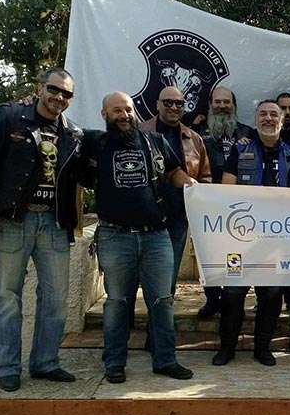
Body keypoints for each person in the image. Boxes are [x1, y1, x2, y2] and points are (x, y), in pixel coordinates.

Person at [0, 67, 83, 392]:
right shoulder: (9, 117)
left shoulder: (73, 133)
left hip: (53, 223)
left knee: (56, 297)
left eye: (66, 93)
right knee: (8, 297)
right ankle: (8, 368)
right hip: (12, 222)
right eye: (54, 89)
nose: (59, 97)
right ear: (40, 88)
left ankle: (46, 362)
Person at [82, 91, 195, 384]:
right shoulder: (94, 142)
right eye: (117, 111)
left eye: (128, 109)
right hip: (114, 236)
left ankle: (165, 360)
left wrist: (192, 185)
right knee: (117, 301)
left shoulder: (155, 141)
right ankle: (115, 362)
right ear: (104, 115)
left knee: (162, 300)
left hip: (157, 235)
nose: (124, 115)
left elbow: (175, 172)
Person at [214, 99, 290, 367]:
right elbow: (226, 189)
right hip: (240, 239)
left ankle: (262, 348)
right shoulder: (239, 151)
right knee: (232, 293)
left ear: (282, 120)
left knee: (270, 294)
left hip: (276, 242)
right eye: (263, 114)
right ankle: (227, 348)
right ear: (256, 119)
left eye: (273, 114)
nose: (268, 118)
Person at [140, 86, 212, 294]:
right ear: (157, 105)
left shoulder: (194, 139)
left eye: (179, 103)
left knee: (169, 275)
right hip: (144, 217)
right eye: (168, 102)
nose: (173, 107)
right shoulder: (140, 133)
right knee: (139, 275)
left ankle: (164, 312)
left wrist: (196, 204)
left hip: (177, 218)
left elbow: (204, 178)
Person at [194, 86, 252, 318]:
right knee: (207, 252)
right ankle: (212, 299)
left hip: (239, 205)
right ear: (210, 105)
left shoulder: (247, 132)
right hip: (207, 202)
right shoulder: (197, 130)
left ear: (234, 105)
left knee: (235, 252)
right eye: (217, 102)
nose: (222, 106)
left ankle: (232, 299)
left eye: (226, 102)